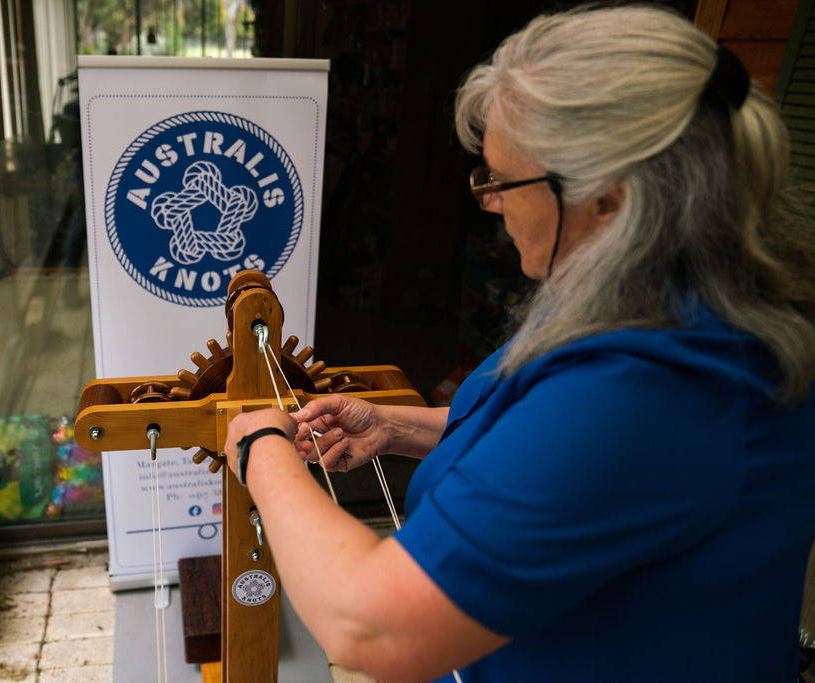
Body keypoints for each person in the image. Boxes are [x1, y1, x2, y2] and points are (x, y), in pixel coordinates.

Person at [222, 6, 815, 682]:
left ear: (610, 199)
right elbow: (556, 447)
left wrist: (259, 449)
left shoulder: (661, 386)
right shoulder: (649, 299)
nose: (491, 201)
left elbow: (371, 626)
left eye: (503, 180)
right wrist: (401, 426)